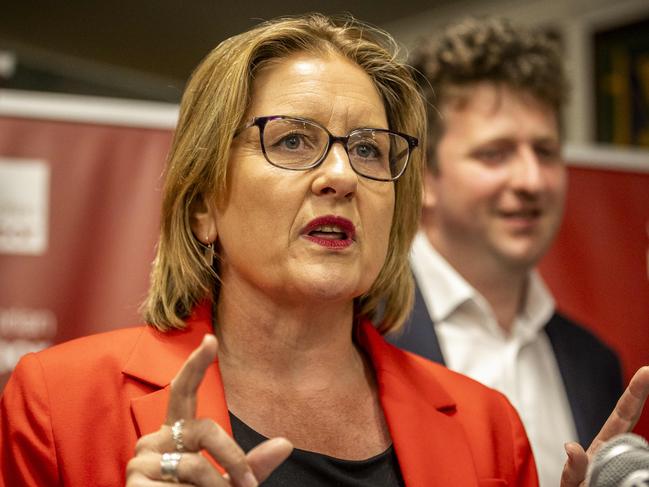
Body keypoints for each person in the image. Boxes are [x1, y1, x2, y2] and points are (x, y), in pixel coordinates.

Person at [0, 13, 645, 487]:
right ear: (202, 204)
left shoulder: (487, 427)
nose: (340, 175)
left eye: (368, 148)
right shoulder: (58, 403)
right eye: (291, 141)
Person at [386, 16, 631, 487]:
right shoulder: (356, 331)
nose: (531, 181)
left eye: (545, 151)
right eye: (494, 153)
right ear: (424, 178)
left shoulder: (594, 362)